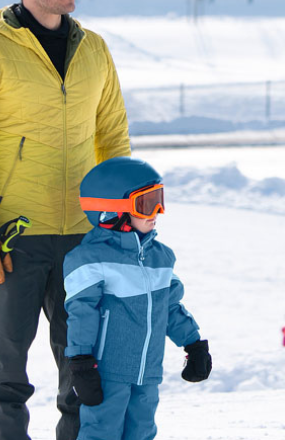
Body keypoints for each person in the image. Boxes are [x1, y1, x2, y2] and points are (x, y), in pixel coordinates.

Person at [0, 0, 130, 440]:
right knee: (4, 371)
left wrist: (120, 218)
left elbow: (112, 137)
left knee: (86, 367)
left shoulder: (94, 50)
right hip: (12, 238)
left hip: (85, 236)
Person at [61, 157, 208, 440]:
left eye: (159, 199)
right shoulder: (89, 259)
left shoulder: (161, 257)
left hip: (149, 372)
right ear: (111, 211)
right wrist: (80, 361)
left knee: (142, 432)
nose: (157, 211)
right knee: (101, 432)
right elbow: (81, 313)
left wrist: (194, 344)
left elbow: (171, 307)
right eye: (145, 203)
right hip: (107, 373)